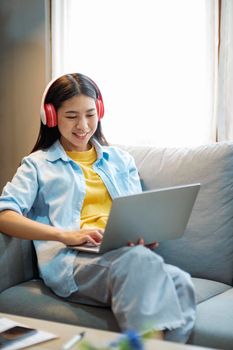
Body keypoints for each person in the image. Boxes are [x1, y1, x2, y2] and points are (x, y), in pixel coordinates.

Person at [0, 73, 196, 343]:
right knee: (138, 262)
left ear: (100, 111)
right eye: (71, 116)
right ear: (51, 116)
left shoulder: (120, 160)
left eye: (90, 114)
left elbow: (136, 211)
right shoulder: (37, 165)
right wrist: (64, 235)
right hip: (72, 261)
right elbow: (4, 215)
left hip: (123, 255)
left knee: (180, 282)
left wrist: (142, 235)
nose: (83, 125)